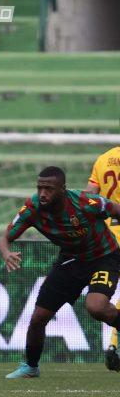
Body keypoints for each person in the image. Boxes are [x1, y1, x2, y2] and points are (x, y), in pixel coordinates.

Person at [0, 167, 120, 377]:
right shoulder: (32, 208)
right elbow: (4, 238)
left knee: (96, 307)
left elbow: (116, 210)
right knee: (38, 318)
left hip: (104, 257)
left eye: (49, 189)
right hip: (71, 261)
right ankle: (31, 366)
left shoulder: (85, 202)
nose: (43, 193)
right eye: (40, 188)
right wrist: (6, 253)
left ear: (62, 189)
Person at [85, 148, 120, 370]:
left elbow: (89, 198)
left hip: (108, 241)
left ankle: (113, 346)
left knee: (101, 298)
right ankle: (114, 345)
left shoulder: (104, 158)